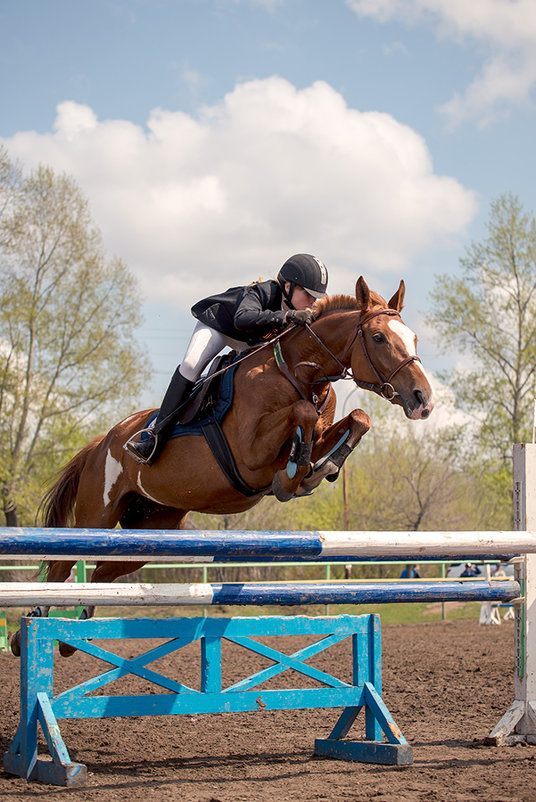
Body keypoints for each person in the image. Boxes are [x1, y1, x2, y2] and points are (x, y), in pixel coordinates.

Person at [126, 253, 329, 464]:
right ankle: (154, 436)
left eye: (315, 296)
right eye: (308, 293)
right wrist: (286, 317)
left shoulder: (298, 310)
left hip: (249, 342)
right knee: (190, 366)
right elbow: (242, 318)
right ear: (288, 286)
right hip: (220, 328)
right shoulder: (265, 291)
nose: (313, 301)